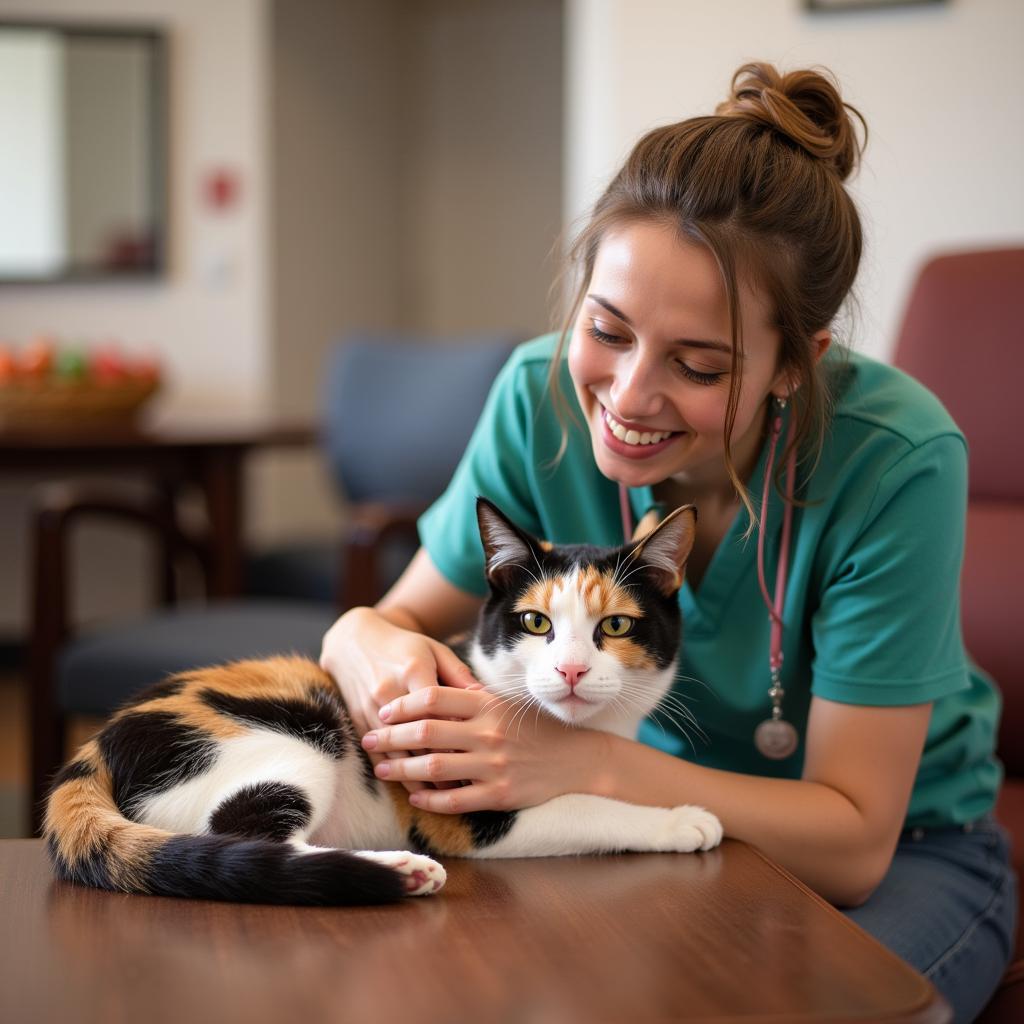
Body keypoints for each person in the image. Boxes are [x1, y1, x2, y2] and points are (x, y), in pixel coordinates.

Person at [320, 62, 1015, 1022]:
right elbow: (397, 616)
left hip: (909, 849)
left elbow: (855, 846)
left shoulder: (897, 459)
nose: (629, 398)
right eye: (606, 329)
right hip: (640, 822)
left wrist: (588, 766)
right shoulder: (537, 400)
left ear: (794, 364)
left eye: (697, 365)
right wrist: (361, 636)